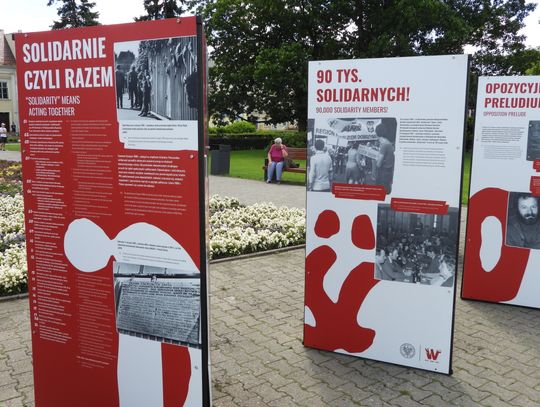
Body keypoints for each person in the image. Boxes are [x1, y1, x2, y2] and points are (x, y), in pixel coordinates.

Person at [375, 123, 395, 194]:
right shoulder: (388, 143)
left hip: (383, 172)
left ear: (378, 133)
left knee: (382, 192)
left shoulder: (384, 145)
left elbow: (378, 164)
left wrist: (376, 160)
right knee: (387, 190)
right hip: (388, 171)